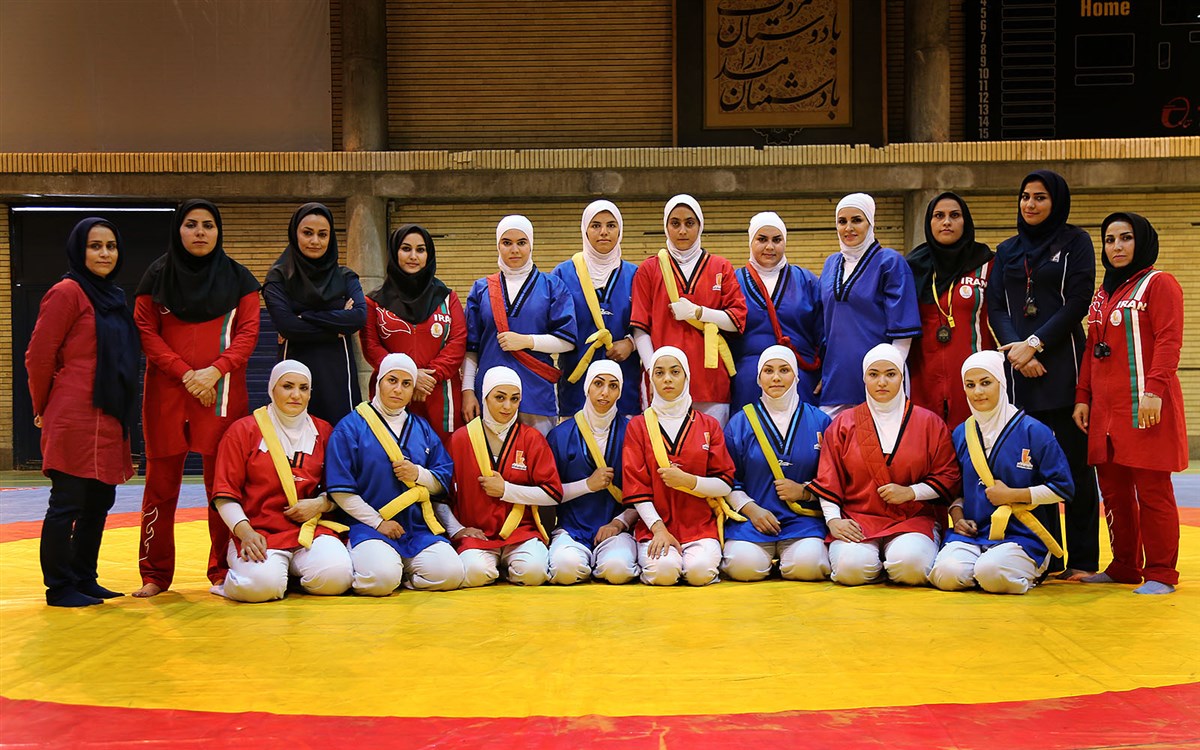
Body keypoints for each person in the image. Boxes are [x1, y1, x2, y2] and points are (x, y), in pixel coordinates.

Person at [133, 199, 260, 597]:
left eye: (208, 225)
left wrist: (214, 371)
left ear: (219, 231)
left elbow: (248, 334)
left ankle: (221, 569)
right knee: (160, 486)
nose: (200, 232)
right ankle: (155, 575)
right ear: (178, 230)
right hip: (166, 396)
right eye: (191, 224)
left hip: (221, 395)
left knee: (221, 486)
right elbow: (146, 331)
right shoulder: (155, 276)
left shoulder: (240, 279)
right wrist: (185, 373)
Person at [986, 170, 1099, 579]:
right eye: (1025, 196)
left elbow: (1078, 302)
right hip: (1020, 375)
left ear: (1057, 202)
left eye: (1040, 197)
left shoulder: (1076, 243)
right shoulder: (1007, 250)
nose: (1030, 204)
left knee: (1074, 467)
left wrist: (1034, 343)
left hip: (1064, 369)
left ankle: (1083, 560)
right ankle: (1049, 556)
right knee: (1031, 469)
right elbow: (996, 306)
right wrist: (1018, 350)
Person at [26, 218, 139, 607]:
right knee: (68, 501)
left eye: (111, 246)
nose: (105, 253)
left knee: (99, 501)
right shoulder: (66, 292)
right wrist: (42, 405)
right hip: (74, 411)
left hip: (109, 412)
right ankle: (59, 586)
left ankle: (84, 577)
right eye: (95, 246)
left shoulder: (113, 296)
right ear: (79, 250)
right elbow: (38, 355)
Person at [1075, 213, 1186, 594]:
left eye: (1125, 238)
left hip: (1145, 405)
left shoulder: (1160, 283)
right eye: (1109, 240)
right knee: (1114, 491)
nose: (1117, 247)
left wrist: (1154, 391)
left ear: (1142, 242)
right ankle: (1124, 565)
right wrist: (1083, 397)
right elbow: (1092, 349)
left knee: (1152, 491)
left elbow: (1169, 340)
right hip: (1105, 411)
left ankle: (1161, 572)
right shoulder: (1102, 294)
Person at [809, 344, 960, 586]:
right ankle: (876, 564)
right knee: (851, 570)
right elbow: (829, 477)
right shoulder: (843, 424)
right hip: (857, 519)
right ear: (864, 378)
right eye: (874, 374)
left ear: (902, 376)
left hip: (912, 519)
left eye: (890, 374)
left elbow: (948, 476)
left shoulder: (930, 423)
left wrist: (911, 492)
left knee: (911, 568)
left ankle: (888, 561)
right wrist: (833, 520)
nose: (882, 382)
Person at [928, 351, 1073, 595]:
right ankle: (981, 569)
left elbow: (1063, 488)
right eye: (970, 385)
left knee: (991, 572)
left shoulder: (1034, 431)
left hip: (1023, 536)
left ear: (1001, 383)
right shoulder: (962, 433)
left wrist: (1013, 495)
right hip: (975, 534)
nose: (978, 392)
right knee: (946, 574)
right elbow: (955, 490)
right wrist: (958, 516)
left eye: (986, 383)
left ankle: (1017, 570)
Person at [210, 361, 353, 602]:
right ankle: (241, 581)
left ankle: (288, 576)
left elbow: (339, 488)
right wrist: (245, 532)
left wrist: (320, 504)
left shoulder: (324, 431)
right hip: (257, 532)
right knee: (261, 587)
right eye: (287, 386)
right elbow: (224, 495)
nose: (296, 395)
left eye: (303, 388)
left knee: (337, 577)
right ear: (272, 388)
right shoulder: (242, 431)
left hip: (308, 531)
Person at [326, 353, 465, 595]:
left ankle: (405, 576)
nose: (398, 389)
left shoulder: (422, 428)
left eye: (406, 383)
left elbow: (441, 481)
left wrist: (418, 474)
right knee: (381, 580)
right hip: (369, 527)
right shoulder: (350, 427)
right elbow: (340, 491)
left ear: (413, 390)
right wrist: (378, 523)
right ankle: (381, 567)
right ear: (378, 382)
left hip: (417, 528)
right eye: (392, 380)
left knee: (451, 574)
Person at [621, 347, 739, 586]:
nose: (667, 379)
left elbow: (725, 484)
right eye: (659, 373)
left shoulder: (709, 425)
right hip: (655, 527)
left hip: (700, 527)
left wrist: (689, 481)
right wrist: (658, 529)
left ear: (686, 376)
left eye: (675, 372)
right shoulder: (638, 426)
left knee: (699, 573)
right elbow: (636, 488)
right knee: (664, 572)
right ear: (651, 379)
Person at [630, 195, 747, 426]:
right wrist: (654, 371)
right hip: (664, 381)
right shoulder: (649, 269)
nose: (682, 231)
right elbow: (640, 328)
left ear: (700, 226)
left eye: (689, 223)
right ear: (666, 227)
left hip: (710, 379)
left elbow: (737, 320)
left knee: (710, 444)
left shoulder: (721, 267)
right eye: (675, 223)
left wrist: (699, 313)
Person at [721, 346, 832, 582]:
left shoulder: (820, 421)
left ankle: (786, 561)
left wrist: (805, 491)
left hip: (803, 521)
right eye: (768, 371)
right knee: (743, 567)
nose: (776, 377)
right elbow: (727, 479)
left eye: (784, 370)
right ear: (759, 378)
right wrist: (752, 509)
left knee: (810, 566)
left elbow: (833, 479)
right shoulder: (739, 423)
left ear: (796, 376)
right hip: (753, 522)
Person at [445, 366, 561, 587]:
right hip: (477, 535)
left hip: (521, 533)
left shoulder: (532, 439)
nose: (507, 406)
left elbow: (553, 494)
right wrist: (458, 530)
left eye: (514, 399)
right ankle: (495, 567)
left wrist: (506, 490)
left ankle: (505, 567)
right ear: (485, 397)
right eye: (500, 397)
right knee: (474, 573)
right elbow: (441, 497)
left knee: (534, 573)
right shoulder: (461, 439)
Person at [464, 215, 577, 435]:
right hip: (490, 392)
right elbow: (470, 347)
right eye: (507, 243)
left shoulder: (552, 286)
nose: (514, 250)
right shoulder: (481, 289)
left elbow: (567, 341)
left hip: (535, 391)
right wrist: (467, 390)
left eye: (521, 242)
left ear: (531, 245)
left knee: (538, 452)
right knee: (492, 454)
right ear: (498, 246)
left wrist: (527, 341)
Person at [361, 224, 466, 445]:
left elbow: (457, 343)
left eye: (420, 250)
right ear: (394, 252)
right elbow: (371, 346)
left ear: (429, 255)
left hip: (439, 394)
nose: (413, 256)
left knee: (443, 456)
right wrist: (409, 375)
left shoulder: (448, 298)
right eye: (406, 248)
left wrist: (429, 377)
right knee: (392, 453)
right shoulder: (374, 301)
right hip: (393, 392)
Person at [262, 202, 366, 425]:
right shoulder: (278, 278)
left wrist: (306, 316)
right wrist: (336, 328)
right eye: (307, 233)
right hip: (294, 370)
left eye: (322, 234)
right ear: (295, 234)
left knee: (340, 435)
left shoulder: (346, 277)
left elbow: (358, 317)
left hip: (338, 373)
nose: (315, 241)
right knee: (291, 433)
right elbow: (287, 326)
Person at [818, 193, 921, 416]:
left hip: (880, 379)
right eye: (842, 221)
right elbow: (824, 325)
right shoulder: (830, 264)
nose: (848, 228)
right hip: (836, 377)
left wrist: (889, 373)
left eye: (856, 220)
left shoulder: (890, 262)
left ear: (870, 223)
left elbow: (903, 335)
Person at [545, 360, 640, 585]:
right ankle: (587, 561)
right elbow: (548, 493)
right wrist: (587, 485)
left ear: (620, 392)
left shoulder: (633, 433)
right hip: (571, 529)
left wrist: (619, 523)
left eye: (613, 386)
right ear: (587, 386)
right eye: (598, 383)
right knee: (565, 569)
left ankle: (598, 562)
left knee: (618, 570)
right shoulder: (560, 435)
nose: (605, 392)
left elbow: (645, 492)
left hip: (616, 530)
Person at [906, 192, 996, 426]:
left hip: (977, 380)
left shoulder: (988, 264)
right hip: (923, 379)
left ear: (965, 221)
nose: (946, 222)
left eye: (954, 215)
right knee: (929, 442)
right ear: (929, 223)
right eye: (939, 216)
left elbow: (1004, 316)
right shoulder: (911, 268)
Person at [552, 200, 641, 418]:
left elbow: (651, 323)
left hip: (624, 383)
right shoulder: (562, 274)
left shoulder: (636, 275)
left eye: (611, 225)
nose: (603, 232)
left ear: (620, 230)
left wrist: (631, 343)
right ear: (585, 230)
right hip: (576, 385)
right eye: (595, 225)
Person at [731, 212, 823, 410]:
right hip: (748, 382)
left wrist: (828, 374)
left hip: (801, 377)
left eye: (777, 240)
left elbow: (825, 333)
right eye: (762, 239)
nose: (770, 247)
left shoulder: (807, 281)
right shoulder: (733, 282)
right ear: (750, 241)